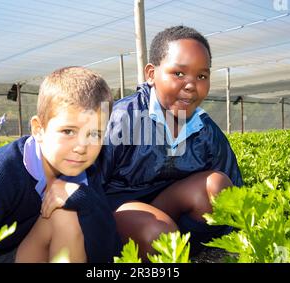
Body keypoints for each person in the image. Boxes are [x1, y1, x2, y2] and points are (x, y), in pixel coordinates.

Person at [0, 67, 120, 263]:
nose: (81, 147)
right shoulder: (1, 170)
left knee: (67, 216)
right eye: (68, 131)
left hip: (35, 250)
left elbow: (109, 252)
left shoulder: (88, 171)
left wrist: (84, 199)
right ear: (38, 129)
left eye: (94, 134)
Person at [96, 26, 243, 260]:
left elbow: (235, 189)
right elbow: (88, 184)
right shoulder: (122, 118)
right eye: (179, 73)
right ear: (151, 74)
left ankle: (187, 250)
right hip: (117, 213)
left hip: (166, 212)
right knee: (160, 235)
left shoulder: (205, 130)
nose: (191, 85)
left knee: (217, 187)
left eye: (201, 76)